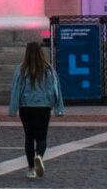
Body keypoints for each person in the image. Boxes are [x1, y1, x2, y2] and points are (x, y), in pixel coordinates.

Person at [9, 38, 65, 178]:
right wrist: (58, 108)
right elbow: (55, 89)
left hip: (26, 107)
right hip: (43, 106)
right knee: (42, 137)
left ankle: (31, 169)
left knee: (29, 137)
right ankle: (39, 155)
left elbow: (16, 90)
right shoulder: (48, 69)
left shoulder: (21, 69)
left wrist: (13, 109)